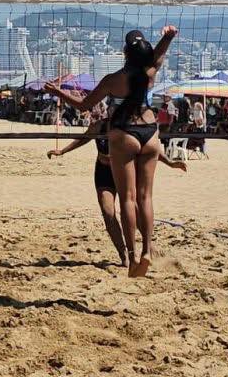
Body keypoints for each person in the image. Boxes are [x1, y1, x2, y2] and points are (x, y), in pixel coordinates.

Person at [46, 26, 178, 278]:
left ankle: (132, 257)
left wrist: (58, 92)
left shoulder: (112, 80)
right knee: (145, 198)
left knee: (127, 199)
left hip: (124, 132)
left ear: (124, 53)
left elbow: (85, 105)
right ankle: (148, 250)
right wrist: (168, 37)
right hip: (150, 132)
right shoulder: (150, 73)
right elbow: (159, 55)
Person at [48, 109, 186, 266]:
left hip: (123, 170)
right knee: (108, 212)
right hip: (104, 170)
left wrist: (170, 163)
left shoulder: (131, 129)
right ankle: (124, 255)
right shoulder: (100, 126)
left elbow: (151, 149)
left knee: (133, 208)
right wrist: (62, 151)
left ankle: (148, 247)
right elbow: (83, 139)